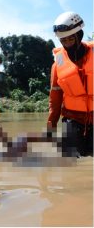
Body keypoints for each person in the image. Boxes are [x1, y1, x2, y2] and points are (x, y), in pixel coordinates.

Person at [48, 11, 93, 157]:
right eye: (63, 41)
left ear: (78, 35)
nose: (67, 43)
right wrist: (51, 124)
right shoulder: (57, 65)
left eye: (70, 39)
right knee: (71, 160)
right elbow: (55, 98)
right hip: (72, 118)